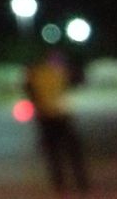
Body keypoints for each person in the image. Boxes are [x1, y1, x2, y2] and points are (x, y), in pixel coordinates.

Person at [25, 50, 91, 194]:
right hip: (62, 116)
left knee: (53, 153)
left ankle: (59, 184)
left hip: (45, 117)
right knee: (73, 151)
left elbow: (28, 90)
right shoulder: (61, 72)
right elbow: (80, 81)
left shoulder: (35, 72)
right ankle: (81, 182)